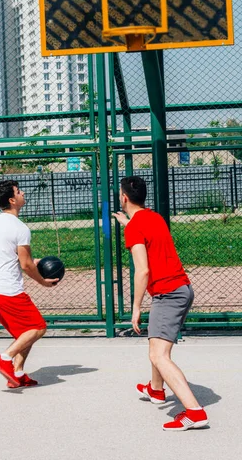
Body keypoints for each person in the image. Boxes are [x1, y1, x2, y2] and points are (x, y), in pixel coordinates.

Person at [113, 176, 209, 431]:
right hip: (180, 289)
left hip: (169, 294)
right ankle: (156, 390)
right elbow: (142, 229)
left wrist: (136, 308)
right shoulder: (153, 218)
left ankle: (195, 412)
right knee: (156, 343)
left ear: (124, 198)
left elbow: (142, 271)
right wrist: (127, 223)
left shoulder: (134, 228)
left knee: (158, 354)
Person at [0, 179, 58, 388]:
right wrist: (43, 281)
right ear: (11, 200)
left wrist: (34, 262)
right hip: (8, 291)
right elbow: (25, 264)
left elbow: (13, 255)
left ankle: (17, 373)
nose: (22, 193)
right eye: (18, 191)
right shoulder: (20, 228)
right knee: (38, 327)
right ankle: (4, 359)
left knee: (24, 333)